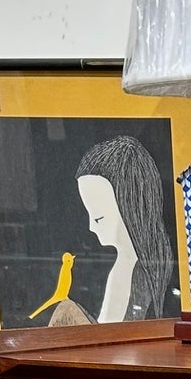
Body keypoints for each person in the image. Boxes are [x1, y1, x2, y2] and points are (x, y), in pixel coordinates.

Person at [34, 134, 176, 325]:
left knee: (65, 312)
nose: (92, 227)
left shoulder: (141, 273)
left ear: (131, 207)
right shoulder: (124, 266)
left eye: (99, 218)